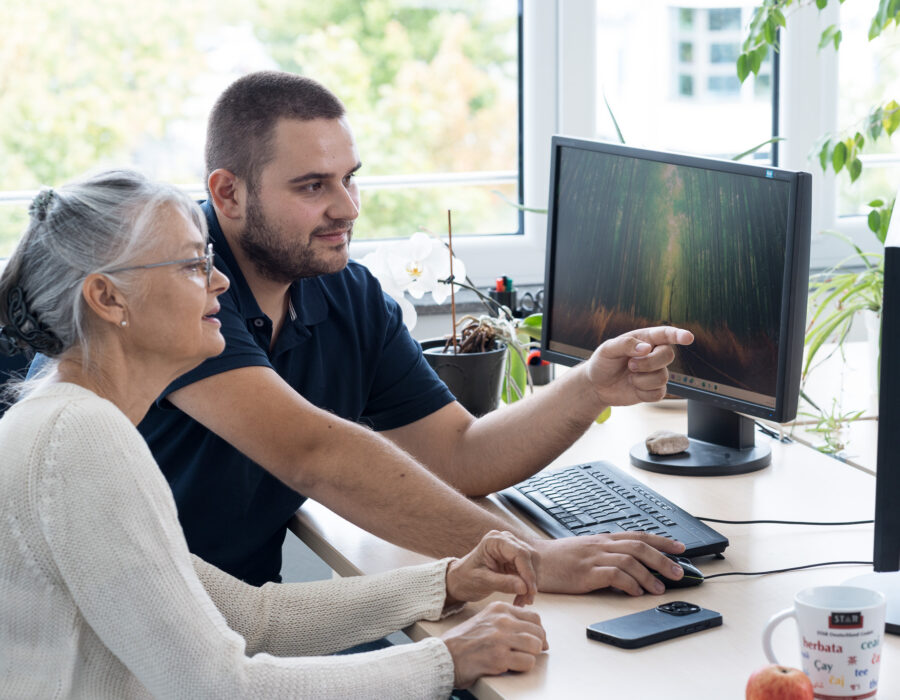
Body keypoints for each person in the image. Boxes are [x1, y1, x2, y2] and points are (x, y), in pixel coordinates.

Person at [0, 170, 548, 698]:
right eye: (193, 265)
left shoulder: (68, 422)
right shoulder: (81, 441)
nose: (218, 280)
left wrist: (450, 581)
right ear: (108, 298)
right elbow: (218, 687)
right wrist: (446, 663)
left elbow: (250, 618)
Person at [144, 71, 692, 594]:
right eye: (313, 186)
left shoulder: (347, 295)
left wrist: (589, 386)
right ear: (229, 193)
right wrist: (535, 559)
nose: (348, 208)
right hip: (135, 645)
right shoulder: (177, 286)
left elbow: (459, 457)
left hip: (250, 622)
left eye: (349, 177)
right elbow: (312, 453)